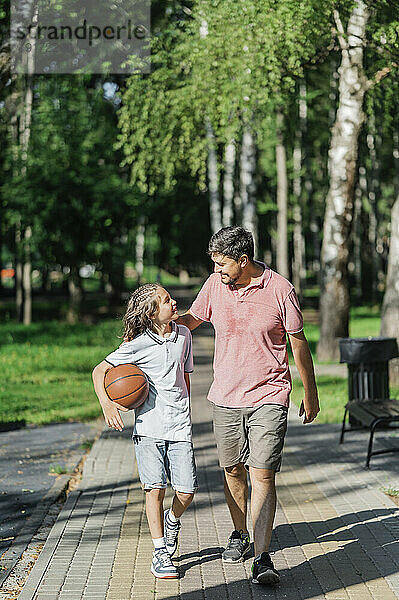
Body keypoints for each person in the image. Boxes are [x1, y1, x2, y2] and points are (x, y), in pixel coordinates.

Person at [177, 226, 320, 586]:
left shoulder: (279, 289)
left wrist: (310, 391)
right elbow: (194, 320)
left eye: (222, 264)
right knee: (233, 470)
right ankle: (240, 533)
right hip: (225, 395)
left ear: (244, 260)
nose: (216, 271)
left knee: (263, 473)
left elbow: (298, 344)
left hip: (269, 395)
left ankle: (262, 556)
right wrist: (160, 322)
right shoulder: (215, 286)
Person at [92, 283, 197, 580]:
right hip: (149, 428)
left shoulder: (184, 336)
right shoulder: (138, 344)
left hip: (179, 426)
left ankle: (172, 520)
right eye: (166, 301)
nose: (173, 302)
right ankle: (160, 551)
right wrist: (107, 403)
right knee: (155, 490)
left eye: (171, 298)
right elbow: (99, 371)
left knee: (187, 491)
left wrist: (186, 412)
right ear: (152, 313)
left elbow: (184, 379)